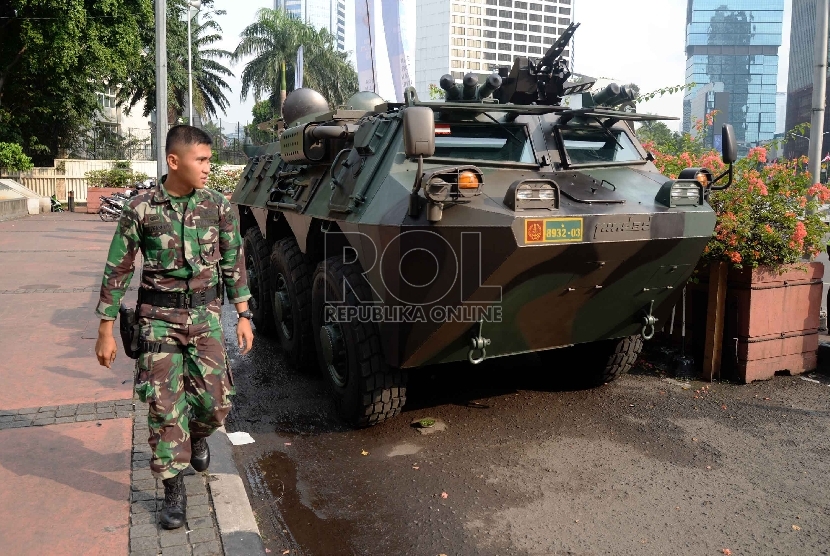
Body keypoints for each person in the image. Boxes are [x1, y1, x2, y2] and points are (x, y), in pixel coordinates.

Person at [93, 125, 254, 530]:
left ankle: (197, 436)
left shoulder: (218, 205)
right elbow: (119, 267)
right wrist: (106, 327)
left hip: (205, 321)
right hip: (157, 323)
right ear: (173, 161)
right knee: (165, 409)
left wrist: (244, 313)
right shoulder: (142, 208)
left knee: (216, 404)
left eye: (209, 160)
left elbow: (233, 260)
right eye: (200, 160)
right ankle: (173, 490)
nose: (207, 168)